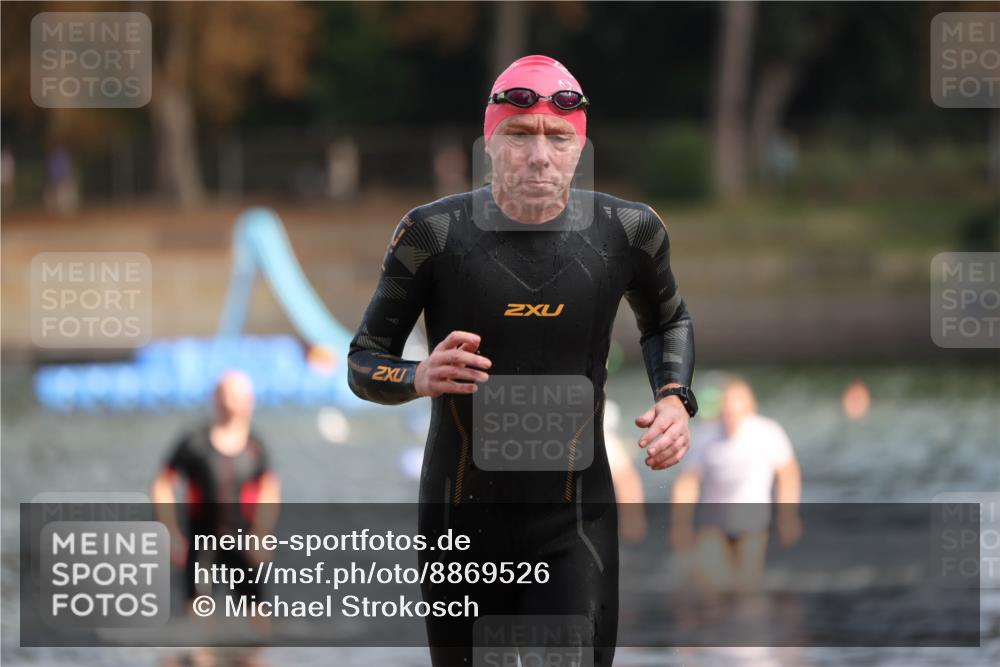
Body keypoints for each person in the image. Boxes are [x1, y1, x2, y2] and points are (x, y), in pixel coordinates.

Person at [348, 55, 697, 666]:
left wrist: (673, 397)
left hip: (573, 527)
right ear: (489, 141)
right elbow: (364, 360)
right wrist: (418, 376)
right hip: (460, 526)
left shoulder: (627, 232)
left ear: (580, 147)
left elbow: (668, 321)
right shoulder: (433, 235)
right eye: (518, 135)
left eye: (558, 138)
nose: (539, 156)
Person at [151, 371, 281, 613]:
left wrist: (262, 532)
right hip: (203, 543)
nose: (238, 402)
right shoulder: (194, 442)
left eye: (243, 397)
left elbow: (269, 487)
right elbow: (163, 483)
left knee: (257, 614)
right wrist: (169, 530)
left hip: (243, 542)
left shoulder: (255, 447)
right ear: (216, 398)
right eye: (231, 396)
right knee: (199, 612)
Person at [670, 376, 801, 593]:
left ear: (750, 409)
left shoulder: (768, 433)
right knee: (711, 585)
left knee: (747, 585)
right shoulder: (706, 436)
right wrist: (680, 524)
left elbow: (788, 474)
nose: (731, 419)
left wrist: (788, 516)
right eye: (727, 412)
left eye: (737, 413)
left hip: (752, 520)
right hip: (713, 521)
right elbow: (688, 482)